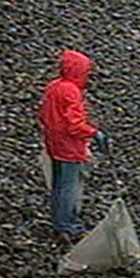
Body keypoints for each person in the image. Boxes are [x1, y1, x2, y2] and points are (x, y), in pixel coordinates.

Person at [38, 49, 107, 245]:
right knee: (70, 187)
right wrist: (94, 133)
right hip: (69, 147)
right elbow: (74, 125)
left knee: (58, 185)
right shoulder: (71, 91)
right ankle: (68, 225)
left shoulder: (53, 87)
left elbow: (43, 115)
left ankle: (59, 223)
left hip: (53, 143)